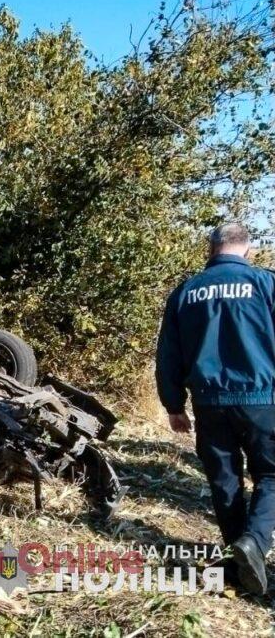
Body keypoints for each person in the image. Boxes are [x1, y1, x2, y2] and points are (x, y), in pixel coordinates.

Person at [156, 222, 275, 595]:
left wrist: (174, 405)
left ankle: (238, 556)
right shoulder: (267, 284)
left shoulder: (186, 292)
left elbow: (168, 356)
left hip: (208, 403)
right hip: (263, 400)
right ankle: (253, 542)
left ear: (211, 249)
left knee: (225, 483)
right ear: (248, 250)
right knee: (272, 475)